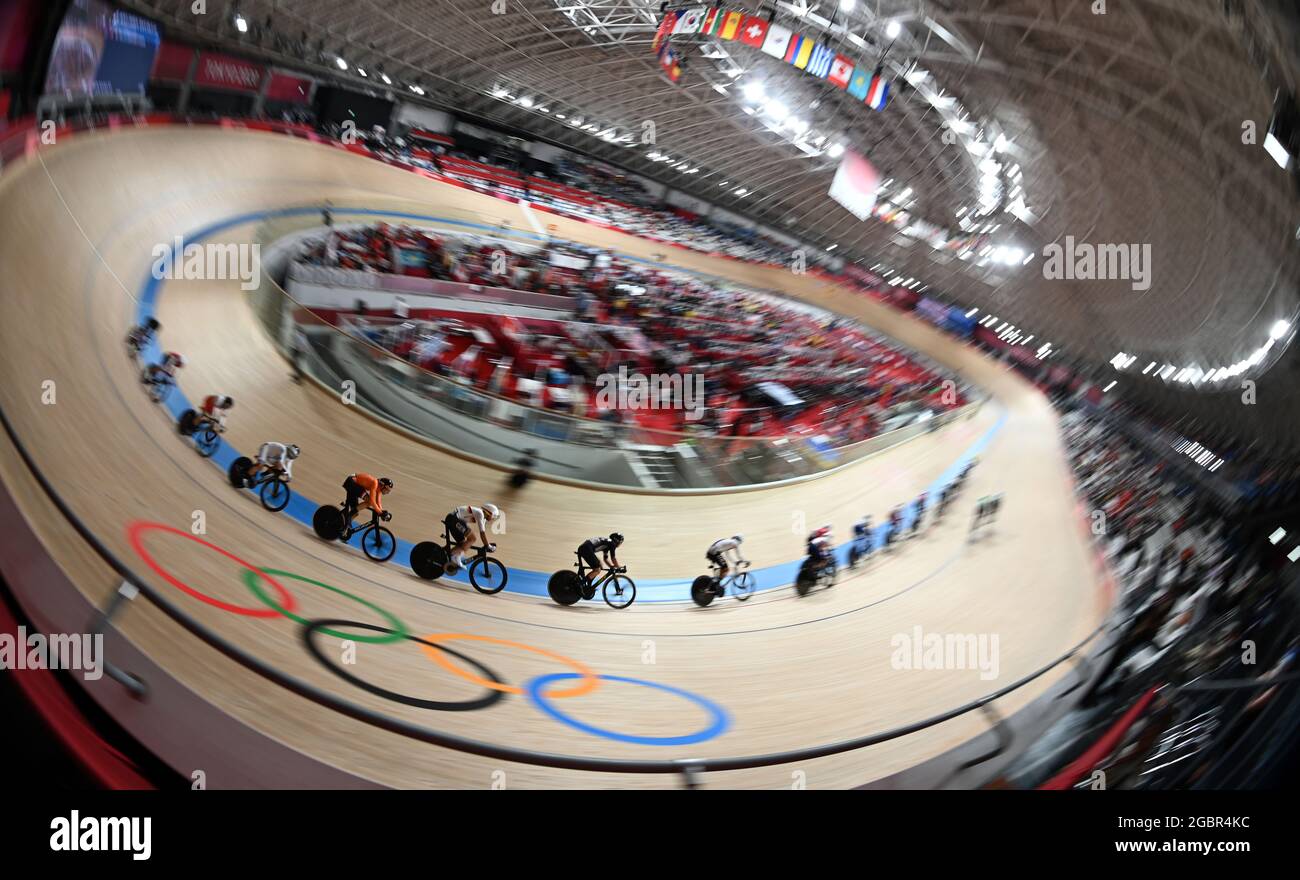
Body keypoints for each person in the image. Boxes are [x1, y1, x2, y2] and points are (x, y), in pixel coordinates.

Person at [443, 503, 501, 570]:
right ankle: (456, 557)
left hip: (454, 520)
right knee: (472, 539)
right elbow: (482, 533)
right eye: (493, 516)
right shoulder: (480, 513)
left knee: (463, 543)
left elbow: (482, 533)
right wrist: (488, 546)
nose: (493, 518)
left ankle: (445, 555)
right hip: (453, 519)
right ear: (489, 513)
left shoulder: (482, 517)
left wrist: (487, 545)